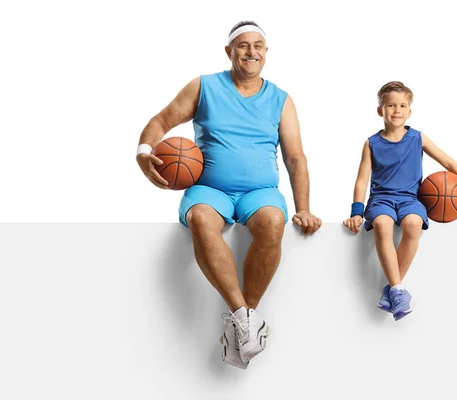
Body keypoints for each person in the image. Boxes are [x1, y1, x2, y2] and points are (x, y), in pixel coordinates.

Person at [136, 21, 321, 369]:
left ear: (266, 53)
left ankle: (240, 326)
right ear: (229, 51)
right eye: (243, 46)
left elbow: (295, 157)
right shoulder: (203, 86)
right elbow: (162, 120)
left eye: (258, 46)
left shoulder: (281, 99)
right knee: (200, 219)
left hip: (260, 191)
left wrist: (305, 208)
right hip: (210, 189)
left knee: (273, 221)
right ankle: (246, 318)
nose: (251, 52)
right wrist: (145, 151)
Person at [343, 81, 457, 321]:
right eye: (391, 105)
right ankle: (397, 289)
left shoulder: (417, 138)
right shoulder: (371, 143)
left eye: (402, 105)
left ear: (409, 111)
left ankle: (394, 289)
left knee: (413, 223)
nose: (397, 110)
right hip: (382, 199)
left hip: (410, 199)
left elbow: (447, 162)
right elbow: (362, 180)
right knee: (383, 224)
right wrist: (356, 212)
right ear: (380, 110)